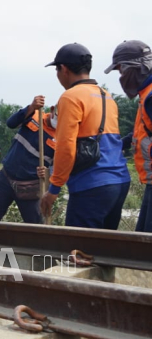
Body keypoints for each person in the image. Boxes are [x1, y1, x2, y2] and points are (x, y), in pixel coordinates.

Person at [40, 44, 130, 229]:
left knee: (78, 250)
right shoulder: (106, 96)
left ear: (63, 69)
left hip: (91, 185)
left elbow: (66, 147)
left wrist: (53, 189)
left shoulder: (70, 97)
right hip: (120, 182)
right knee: (104, 250)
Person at [0, 96, 56, 224]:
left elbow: (59, 167)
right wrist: (31, 107)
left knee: (36, 227)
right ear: (53, 110)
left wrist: (48, 172)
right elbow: (11, 123)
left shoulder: (62, 138)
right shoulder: (35, 115)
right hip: (5, 178)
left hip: (29, 188)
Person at [104, 40, 152, 232]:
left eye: (121, 71)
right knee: (143, 240)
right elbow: (143, 131)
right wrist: (116, 144)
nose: (121, 77)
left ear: (134, 69)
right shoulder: (146, 95)